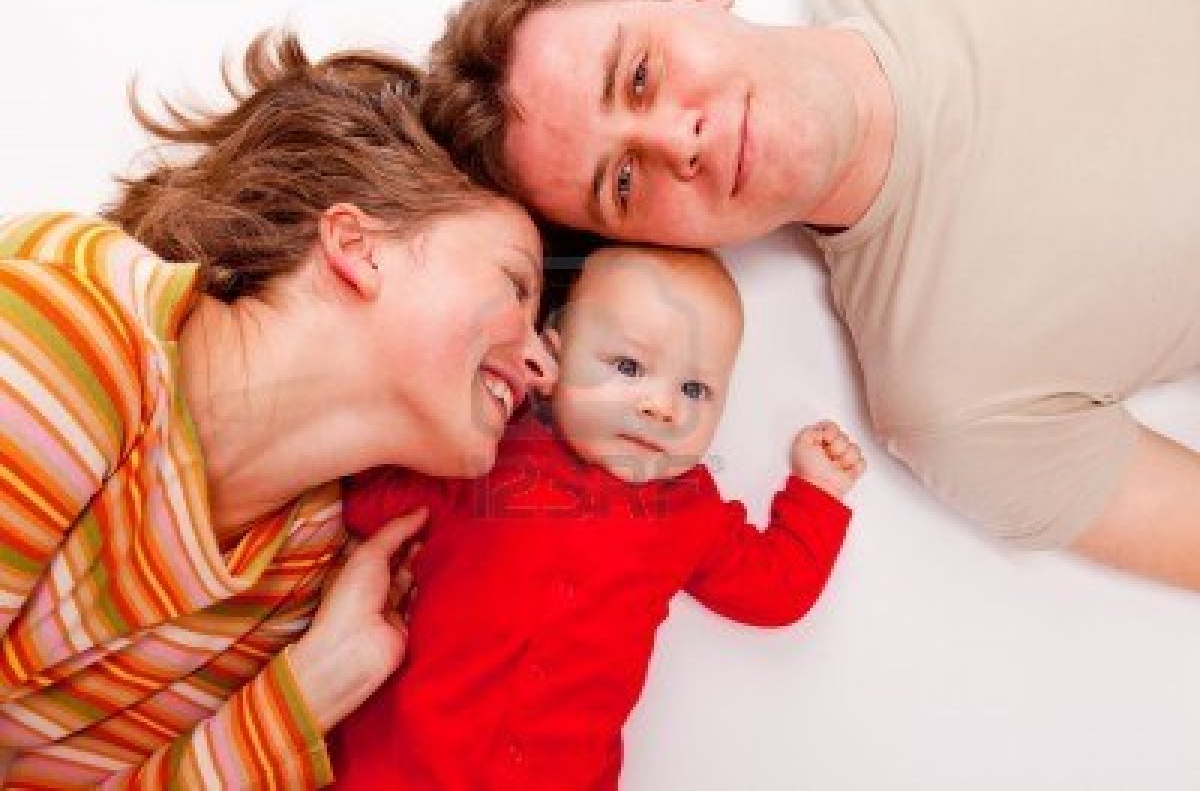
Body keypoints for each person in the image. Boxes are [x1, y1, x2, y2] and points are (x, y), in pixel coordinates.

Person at [416, 0, 1200, 589]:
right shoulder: (951, 402)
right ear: (649, 245)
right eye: (623, 182)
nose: (678, 141)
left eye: (642, 76)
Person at [0, 31, 556, 787]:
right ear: (357, 246)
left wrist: (303, 694)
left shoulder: (294, 585)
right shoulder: (61, 339)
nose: (543, 365)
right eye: (516, 286)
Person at [328, 245, 864, 789]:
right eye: (628, 367)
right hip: (397, 765)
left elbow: (773, 589)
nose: (663, 407)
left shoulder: (688, 510)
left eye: (694, 389)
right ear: (552, 363)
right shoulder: (493, 448)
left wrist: (816, 491)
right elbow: (367, 498)